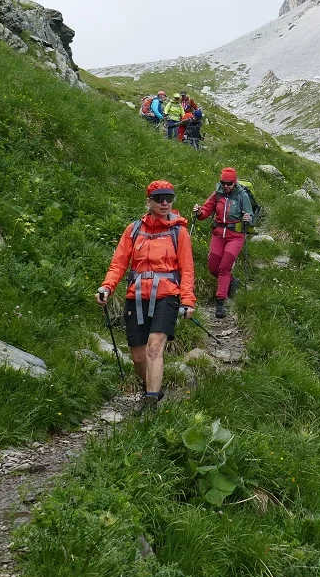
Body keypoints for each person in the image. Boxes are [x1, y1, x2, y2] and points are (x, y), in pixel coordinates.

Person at [96, 180, 195, 414]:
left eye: (169, 198)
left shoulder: (179, 232)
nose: (165, 203)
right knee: (139, 356)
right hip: (137, 295)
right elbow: (119, 263)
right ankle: (152, 387)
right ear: (148, 201)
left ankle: (150, 404)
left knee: (154, 348)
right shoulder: (134, 229)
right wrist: (107, 287)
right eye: (159, 198)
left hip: (167, 296)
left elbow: (187, 270)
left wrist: (188, 300)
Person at [193, 167, 252, 318]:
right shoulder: (217, 194)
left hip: (235, 236)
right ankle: (232, 282)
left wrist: (248, 219)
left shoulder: (242, 195)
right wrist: (199, 212)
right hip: (218, 234)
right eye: (223, 183)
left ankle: (220, 303)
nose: (226, 186)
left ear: (235, 182)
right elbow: (206, 211)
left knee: (224, 267)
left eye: (229, 183)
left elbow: (250, 216)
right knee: (213, 267)